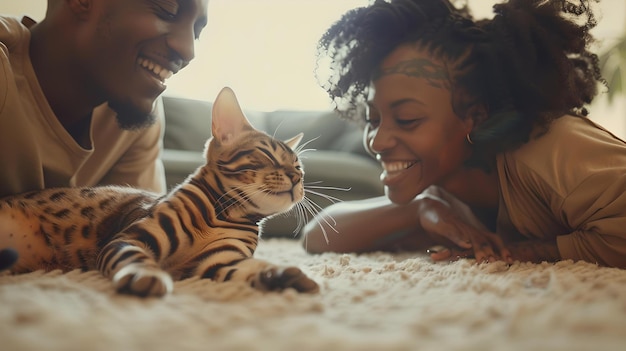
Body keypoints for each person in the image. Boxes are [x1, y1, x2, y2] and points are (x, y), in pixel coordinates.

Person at [302, 0, 626, 269]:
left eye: (407, 118)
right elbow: (317, 234)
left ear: (474, 117)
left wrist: (529, 252)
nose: (376, 141)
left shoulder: (555, 146)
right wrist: (418, 210)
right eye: (373, 119)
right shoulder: (444, 189)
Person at [0, 0, 209, 198]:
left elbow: (136, 230)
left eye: (197, 34)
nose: (188, 50)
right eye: (167, 9)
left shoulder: (135, 112)